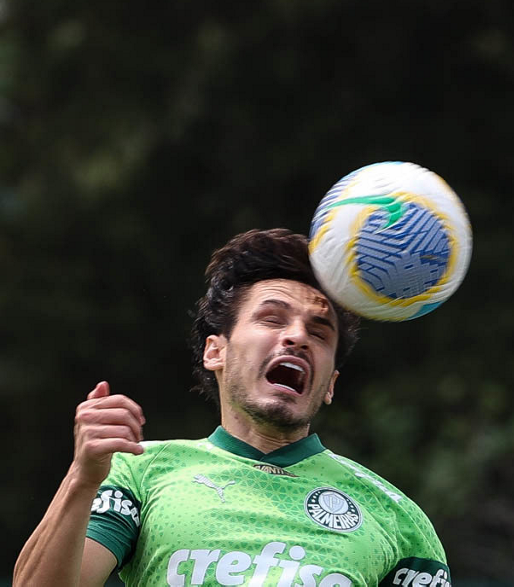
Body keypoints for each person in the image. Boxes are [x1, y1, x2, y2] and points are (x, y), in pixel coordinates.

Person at [14, 229, 451, 587]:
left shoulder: (396, 517)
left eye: (319, 333)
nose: (297, 337)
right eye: (272, 318)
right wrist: (81, 479)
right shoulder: (139, 473)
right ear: (215, 352)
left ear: (330, 385)